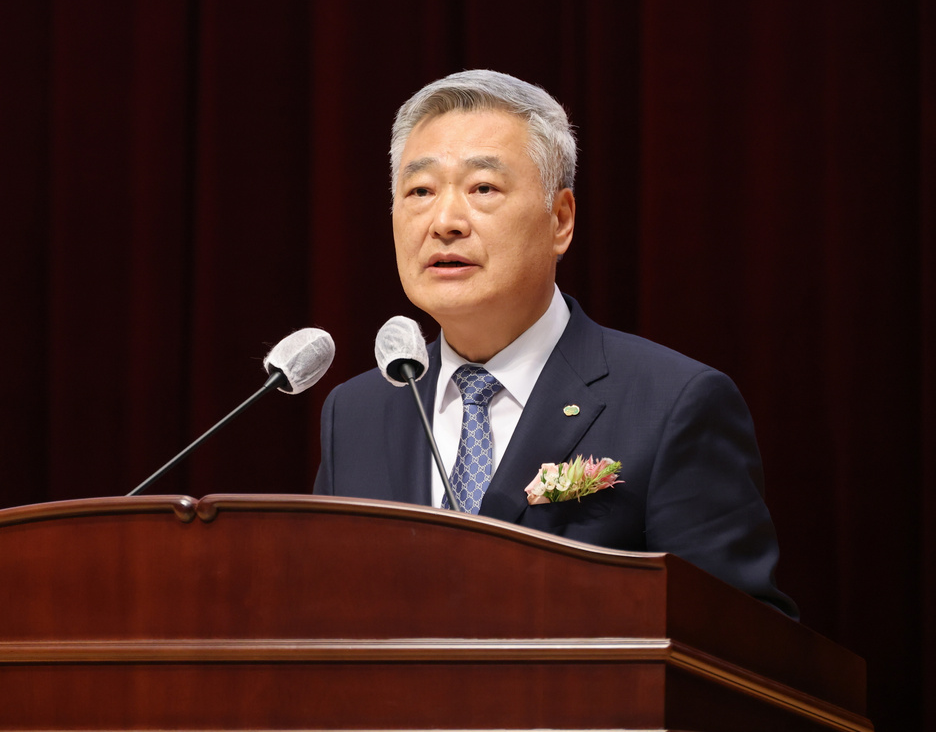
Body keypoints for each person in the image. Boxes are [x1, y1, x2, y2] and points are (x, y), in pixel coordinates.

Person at [313, 69, 796, 618]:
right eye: (420, 191)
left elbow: (736, 639)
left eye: (483, 188)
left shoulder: (673, 405)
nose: (444, 222)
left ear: (560, 220)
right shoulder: (356, 412)